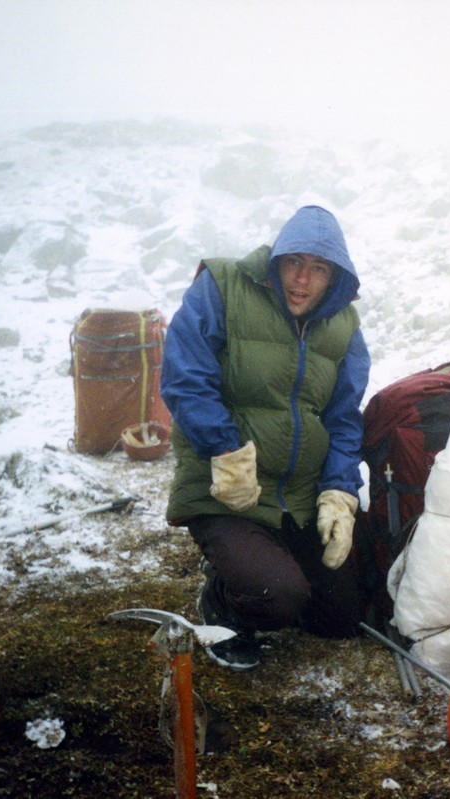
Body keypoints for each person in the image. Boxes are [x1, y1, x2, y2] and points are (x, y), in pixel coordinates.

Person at [161, 205, 371, 671]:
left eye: (319, 269)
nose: (302, 279)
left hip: (295, 495)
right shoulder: (222, 287)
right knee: (277, 598)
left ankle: (262, 571)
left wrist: (339, 490)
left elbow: (343, 417)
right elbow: (184, 377)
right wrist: (225, 451)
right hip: (226, 488)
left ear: (335, 275)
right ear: (275, 260)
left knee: (340, 616)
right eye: (294, 262)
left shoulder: (344, 327)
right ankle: (220, 600)